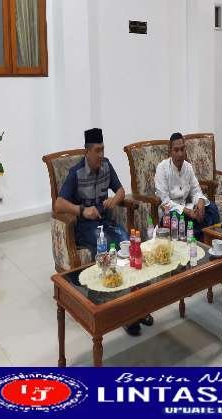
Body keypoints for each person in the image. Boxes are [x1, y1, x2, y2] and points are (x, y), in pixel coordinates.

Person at [55, 128, 153, 335]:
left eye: (103, 149)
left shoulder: (106, 165)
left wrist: (114, 200)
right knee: (111, 249)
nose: (101, 155)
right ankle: (125, 313)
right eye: (97, 151)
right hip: (86, 227)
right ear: (87, 152)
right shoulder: (76, 173)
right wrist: (82, 210)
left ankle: (137, 302)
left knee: (128, 244)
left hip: (106, 222)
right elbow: (58, 204)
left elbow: (121, 191)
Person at [154, 132, 220, 240]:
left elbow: (196, 191)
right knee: (179, 221)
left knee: (212, 209)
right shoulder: (162, 168)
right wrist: (188, 212)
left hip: (187, 207)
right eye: (176, 150)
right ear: (170, 151)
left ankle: (210, 241)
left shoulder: (188, 167)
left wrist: (200, 202)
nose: (180, 154)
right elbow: (165, 202)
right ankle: (196, 239)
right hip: (171, 212)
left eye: (182, 149)